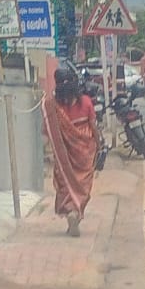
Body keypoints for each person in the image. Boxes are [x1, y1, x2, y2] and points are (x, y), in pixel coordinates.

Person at [45, 64, 98, 237]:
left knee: (66, 184)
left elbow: (47, 131)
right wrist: (98, 143)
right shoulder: (86, 102)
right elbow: (93, 127)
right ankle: (76, 211)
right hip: (85, 152)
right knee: (82, 185)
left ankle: (70, 212)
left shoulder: (53, 107)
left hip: (64, 153)